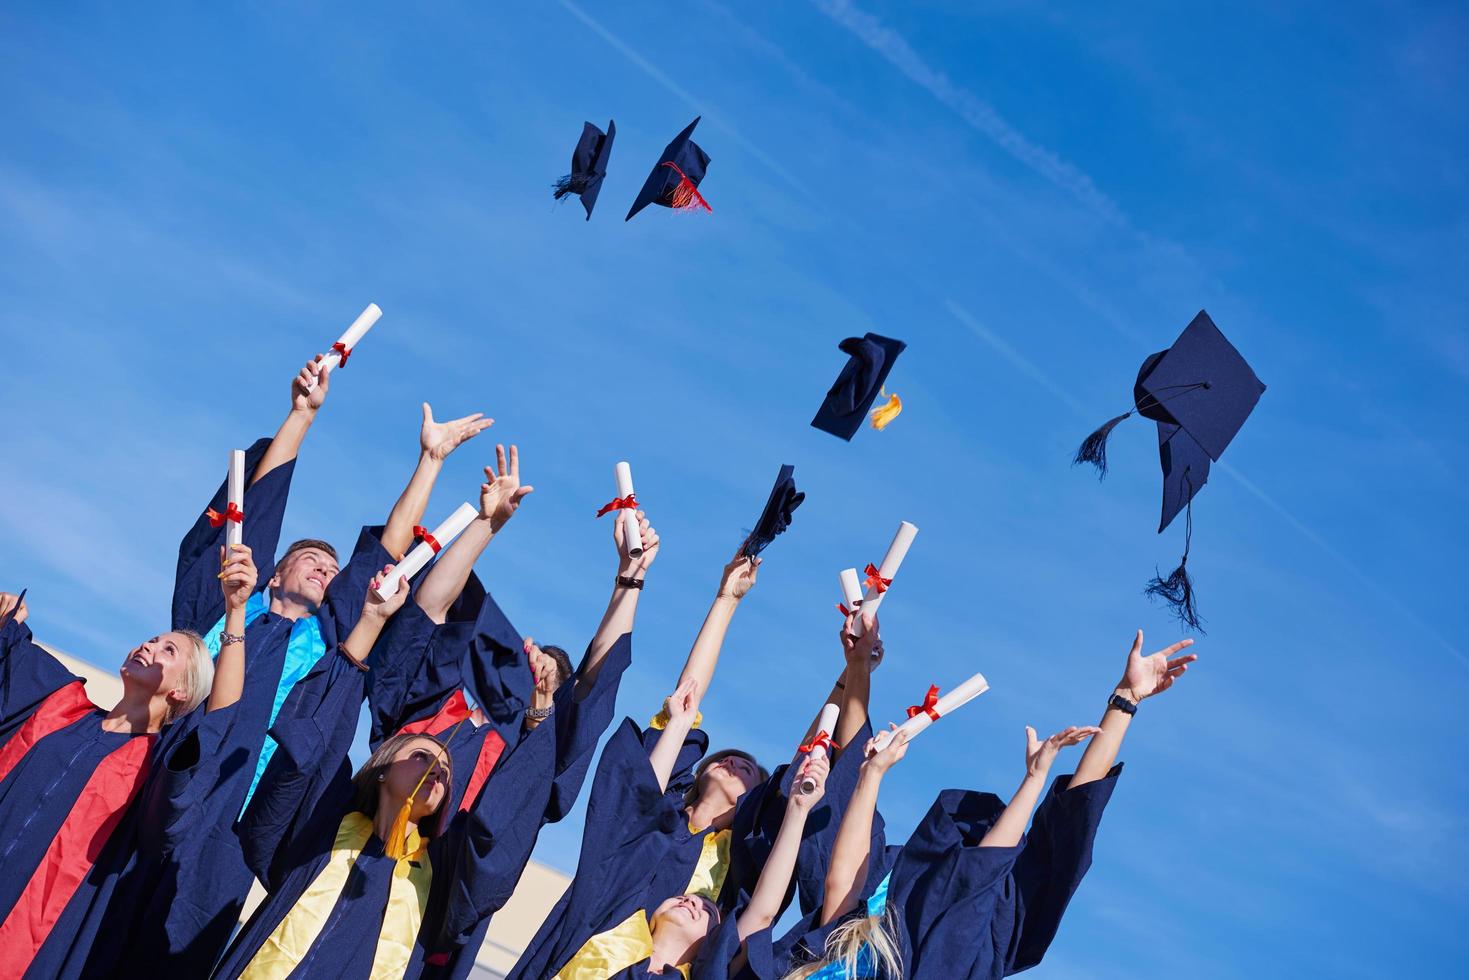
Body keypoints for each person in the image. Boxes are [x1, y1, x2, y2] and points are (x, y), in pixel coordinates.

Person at [156, 358, 491, 973]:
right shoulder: (224, 607)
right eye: (309, 558)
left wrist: (432, 461)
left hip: (235, 821)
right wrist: (302, 414)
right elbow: (255, 506)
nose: (325, 569)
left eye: (333, 570)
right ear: (274, 570)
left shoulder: (329, 638)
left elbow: (388, 551)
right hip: (163, 786)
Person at [367, 464, 662, 977]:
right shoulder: (434, 709)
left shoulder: (534, 758)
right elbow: (428, 613)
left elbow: (594, 686)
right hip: (349, 861)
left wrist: (629, 578)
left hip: (426, 920)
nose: (534, 665)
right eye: (528, 655)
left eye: (549, 668)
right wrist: (486, 524)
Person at [767, 630, 1196, 980]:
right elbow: (844, 876)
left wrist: (1124, 702)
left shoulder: (969, 938)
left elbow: (1053, 829)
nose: (970, 867)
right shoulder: (883, 910)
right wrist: (870, 767)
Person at [508, 546, 773, 980]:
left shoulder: (733, 870)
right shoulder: (659, 810)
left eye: (749, 771)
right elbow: (686, 698)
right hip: (581, 949)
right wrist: (726, 600)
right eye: (727, 758)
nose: (736, 762)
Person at [0, 580, 216, 975]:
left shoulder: (158, 772)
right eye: (151, 639)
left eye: (168, 650)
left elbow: (221, 720)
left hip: (30, 934)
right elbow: (11, 655)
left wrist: (235, 612)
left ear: (182, 692)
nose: (148, 646)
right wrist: (9, 617)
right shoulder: (61, 705)